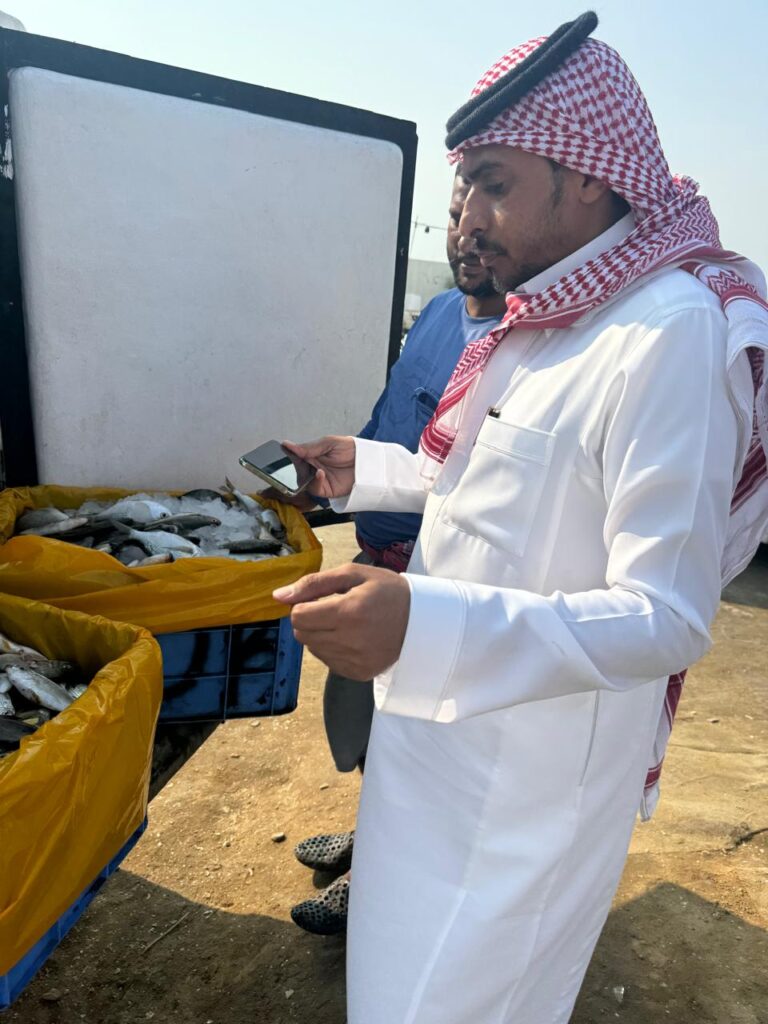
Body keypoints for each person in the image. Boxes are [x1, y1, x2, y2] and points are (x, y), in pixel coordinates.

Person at [274, 11, 768, 1023]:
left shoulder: (665, 335)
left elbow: (667, 616)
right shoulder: (549, 312)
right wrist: (365, 471)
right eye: (464, 187)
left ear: (586, 174)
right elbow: (484, 480)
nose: (468, 217)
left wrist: (421, 624)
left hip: (522, 797)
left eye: (493, 183)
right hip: (428, 750)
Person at [289, 175, 506, 935]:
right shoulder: (441, 314)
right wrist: (332, 482)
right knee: (369, 722)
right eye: (452, 217)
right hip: (376, 561)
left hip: (439, 587)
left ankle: (384, 881)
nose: (466, 235)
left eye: (486, 214)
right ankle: (374, 833)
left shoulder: (524, 346)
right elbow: (389, 428)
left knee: (422, 743)